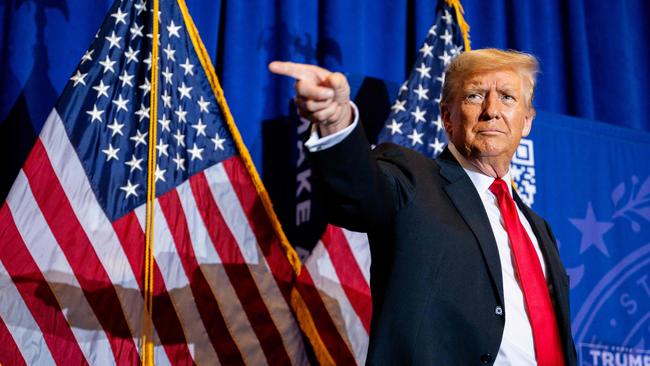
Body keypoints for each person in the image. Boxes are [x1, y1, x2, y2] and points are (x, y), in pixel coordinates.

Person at [269, 49, 577, 366]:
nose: (491, 111)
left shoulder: (537, 227)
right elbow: (359, 197)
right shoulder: (413, 178)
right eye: (475, 96)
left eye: (508, 98)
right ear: (447, 117)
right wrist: (336, 121)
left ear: (526, 121)